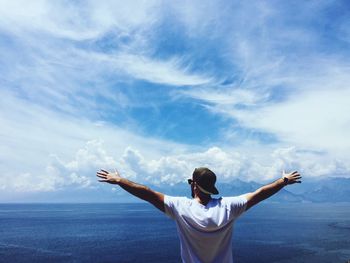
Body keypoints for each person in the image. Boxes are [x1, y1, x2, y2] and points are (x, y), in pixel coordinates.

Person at [96, 167, 302, 263]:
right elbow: (259, 194)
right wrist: (282, 181)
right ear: (210, 188)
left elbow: (147, 193)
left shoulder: (180, 207)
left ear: (194, 185)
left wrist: (120, 180)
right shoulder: (229, 207)